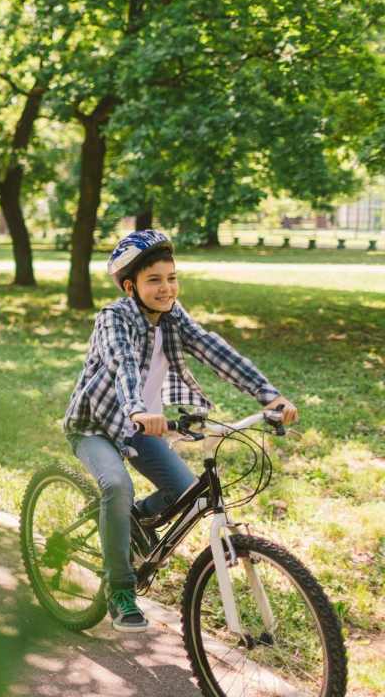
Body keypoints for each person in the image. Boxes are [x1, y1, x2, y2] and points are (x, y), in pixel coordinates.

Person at [62, 229, 298, 631]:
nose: (166, 288)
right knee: (117, 486)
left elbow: (213, 349)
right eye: (154, 280)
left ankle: (129, 522)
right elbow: (124, 365)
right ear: (129, 285)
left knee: (187, 494)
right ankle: (120, 590)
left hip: (140, 425)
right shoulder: (113, 319)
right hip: (97, 425)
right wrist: (138, 408)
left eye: (171, 278)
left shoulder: (174, 317)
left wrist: (268, 396)